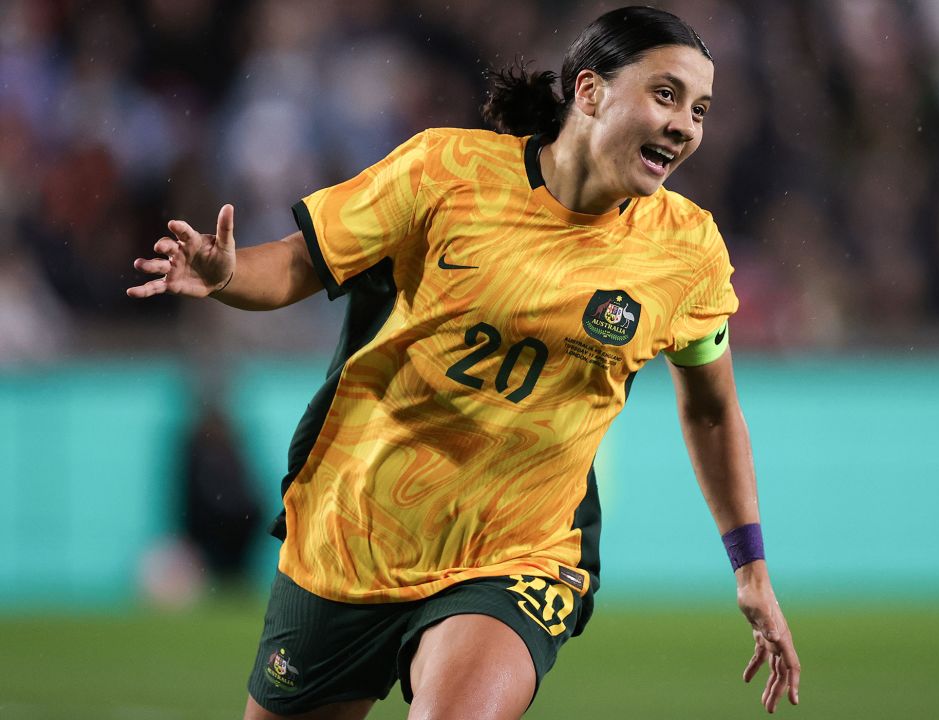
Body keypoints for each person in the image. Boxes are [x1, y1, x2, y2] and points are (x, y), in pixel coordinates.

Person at [127, 7, 800, 719]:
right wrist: (227, 274)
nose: (685, 126)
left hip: (518, 554)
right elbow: (299, 265)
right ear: (590, 91)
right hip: (355, 529)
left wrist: (751, 569)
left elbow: (712, 408)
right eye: (665, 94)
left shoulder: (687, 252)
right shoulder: (445, 170)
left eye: (699, 109)